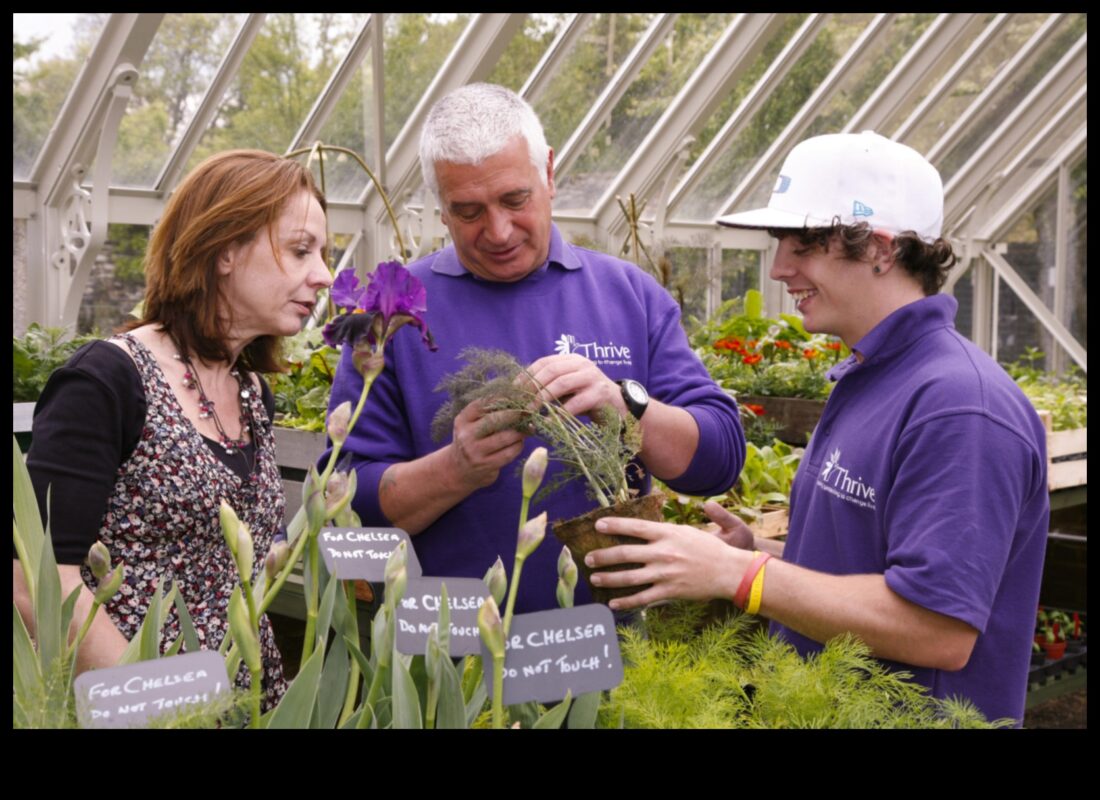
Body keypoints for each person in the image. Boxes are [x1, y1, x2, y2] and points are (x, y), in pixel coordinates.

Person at [586, 131, 1049, 724]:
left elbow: (936, 629)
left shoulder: (960, 408)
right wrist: (763, 552)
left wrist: (741, 576)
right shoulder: (873, 374)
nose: (780, 268)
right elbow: (872, 560)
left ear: (880, 249)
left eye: (803, 245)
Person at [325, 83, 744, 614]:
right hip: (448, 648)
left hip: (605, 642)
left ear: (548, 172)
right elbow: (344, 504)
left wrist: (625, 408)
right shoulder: (394, 314)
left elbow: (719, 460)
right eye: (468, 211)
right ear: (440, 207)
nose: (498, 231)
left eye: (514, 199)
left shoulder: (629, 296)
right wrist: (455, 468)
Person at [12, 149, 333, 709]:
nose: (323, 275)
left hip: (244, 704)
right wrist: (166, 711)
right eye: (301, 250)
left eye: (323, 254)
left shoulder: (251, 391)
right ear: (225, 249)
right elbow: (38, 582)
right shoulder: (106, 381)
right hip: (134, 708)